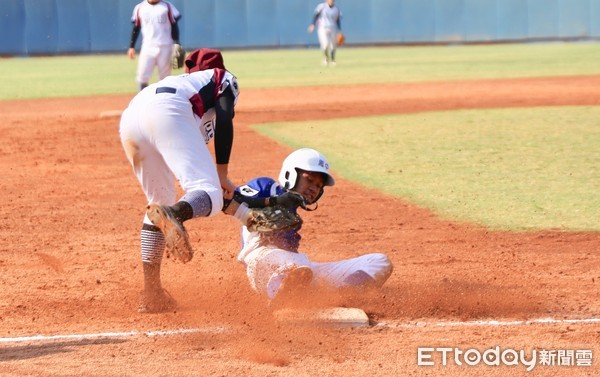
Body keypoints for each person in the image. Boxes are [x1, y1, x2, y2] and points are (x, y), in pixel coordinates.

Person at [120, 48, 258, 313]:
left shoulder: (183, 85)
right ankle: (175, 213)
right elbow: (226, 115)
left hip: (131, 115)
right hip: (165, 111)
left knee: (157, 204)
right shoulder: (222, 77)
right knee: (209, 192)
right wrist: (221, 173)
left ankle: (152, 294)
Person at [234, 148, 393, 306]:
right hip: (263, 263)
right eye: (309, 180)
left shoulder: (293, 216)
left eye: (318, 186)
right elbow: (231, 199)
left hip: (301, 270)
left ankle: (340, 299)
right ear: (290, 174)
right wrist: (272, 202)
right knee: (298, 270)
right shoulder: (266, 187)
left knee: (379, 261)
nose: (314, 188)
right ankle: (284, 300)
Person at [128, 0, 182, 91]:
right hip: (147, 46)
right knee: (142, 76)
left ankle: (163, 100)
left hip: (166, 46)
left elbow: (174, 25)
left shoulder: (167, 6)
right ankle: (143, 99)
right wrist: (131, 46)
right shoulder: (139, 8)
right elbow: (136, 27)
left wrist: (177, 43)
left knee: (165, 78)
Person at [308, 0, 343, 66]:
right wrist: (313, 24)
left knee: (333, 45)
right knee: (325, 44)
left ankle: (333, 59)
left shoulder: (336, 9)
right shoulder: (322, 6)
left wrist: (339, 30)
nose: (330, 1)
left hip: (333, 27)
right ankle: (326, 58)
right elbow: (316, 15)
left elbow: (338, 20)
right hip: (322, 27)